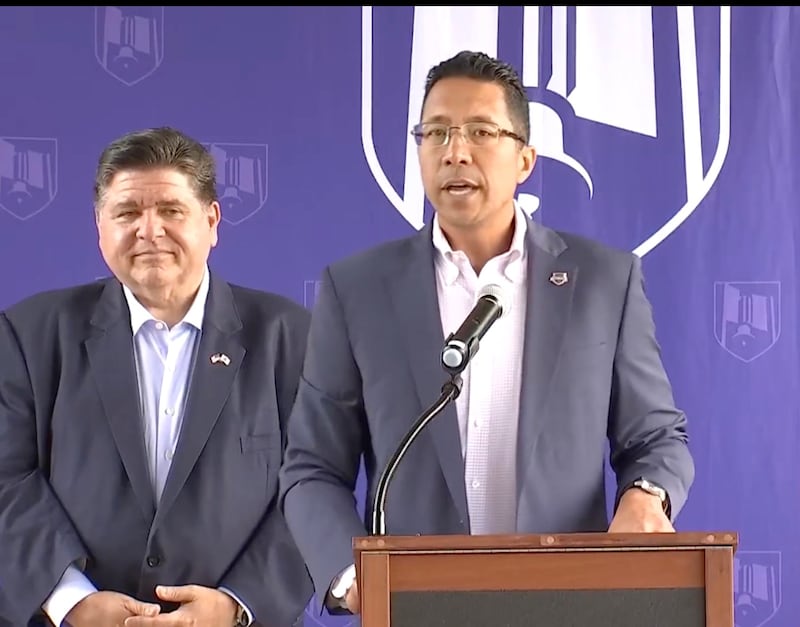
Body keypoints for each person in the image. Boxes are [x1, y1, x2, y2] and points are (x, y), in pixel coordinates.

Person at [278, 50, 695, 616]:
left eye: (480, 131)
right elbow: (312, 467)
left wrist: (647, 496)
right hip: (416, 609)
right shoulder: (358, 289)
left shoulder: (603, 280)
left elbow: (655, 437)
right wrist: (352, 576)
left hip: (570, 603)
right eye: (436, 132)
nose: (455, 151)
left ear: (525, 158)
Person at [0, 127, 313, 627]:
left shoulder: (291, 336)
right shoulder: (28, 333)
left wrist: (237, 605)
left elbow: (316, 487)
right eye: (127, 213)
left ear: (212, 221)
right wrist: (70, 601)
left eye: (171, 210)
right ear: (99, 226)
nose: (149, 231)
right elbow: (7, 480)